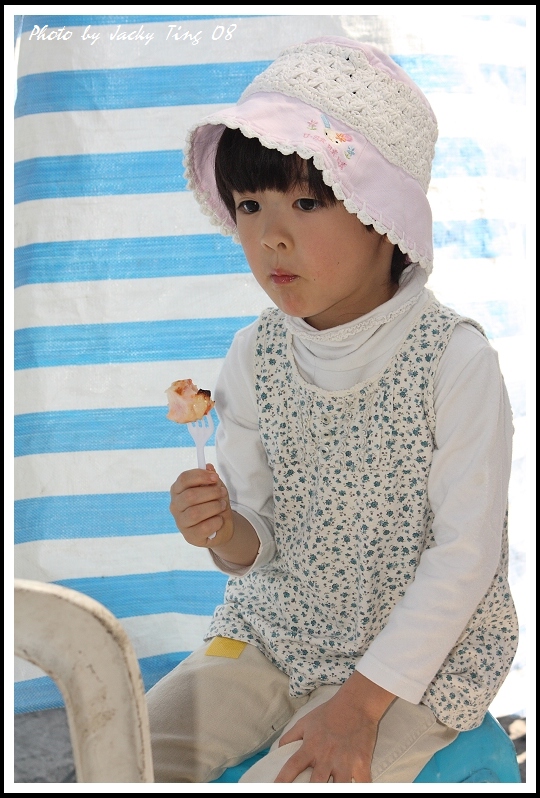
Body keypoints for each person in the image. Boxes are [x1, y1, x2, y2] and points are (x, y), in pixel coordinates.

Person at [146, 36, 519, 783]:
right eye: (249, 205)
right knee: (129, 748)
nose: (270, 236)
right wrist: (221, 530)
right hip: (274, 635)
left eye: (307, 202)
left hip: (409, 662)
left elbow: (464, 558)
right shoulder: (254, 355)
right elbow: (257, 539)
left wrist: (358, 706)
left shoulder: (454, 363)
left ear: (384, 217)